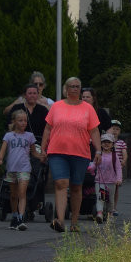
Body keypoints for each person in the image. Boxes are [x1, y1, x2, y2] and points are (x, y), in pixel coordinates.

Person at [41, 76, 100, 233]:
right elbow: (48, 128)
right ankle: (60, 220)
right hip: (57, 151)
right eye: (72, 86)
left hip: (80, 152)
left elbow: (94, 131)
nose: (75, 89)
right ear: (66, 89)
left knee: (76, 186)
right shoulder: (57, 106)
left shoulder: (88, 109)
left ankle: (74, 221)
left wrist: (99, 150)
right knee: (61, 183)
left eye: (77, 86)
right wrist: (43, 147)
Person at [5, 82, 50, 220]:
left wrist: (43, 149)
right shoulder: (18, 108)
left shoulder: (43, 110)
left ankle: (35, 201)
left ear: (38, 95)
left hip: (36, 143)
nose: (32, 95)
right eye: (29, 93)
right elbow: (9, 125)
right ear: (25, 95)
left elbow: (47, 130)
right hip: (19, 144)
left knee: (39, 170)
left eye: (34, 93)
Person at [0, 108, 39, 230]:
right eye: (20, 120)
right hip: (11, 169)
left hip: (25, 168)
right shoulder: (9, 136)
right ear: (14, 121)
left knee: (22, 193)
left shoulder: (30, 136)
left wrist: (42, 156)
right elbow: (3, 150)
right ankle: (14, 216)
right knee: (14, 195)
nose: (23, 123)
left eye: (25, 120)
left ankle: (21, 218)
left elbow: (34, 152)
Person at [92, 133, 122, 223]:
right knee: (101, 198)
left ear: (112, 144)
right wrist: (91, 168)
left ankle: (110, 214)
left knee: (110, 200)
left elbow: (118, 168)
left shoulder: (114, 156)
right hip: (100, 181)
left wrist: (119, 179)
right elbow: (94, 165)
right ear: (101, 144)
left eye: (108, 142)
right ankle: (100, 214)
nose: (106, 144)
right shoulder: (99, 155)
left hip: (111, 181)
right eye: (104, 142)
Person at [107, 119, 127, 216]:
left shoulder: (121, 143)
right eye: (113, 129)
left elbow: (124, 153)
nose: (115, 131)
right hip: (106, 169)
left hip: (116, 169)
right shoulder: (105, 142)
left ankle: (114, 207)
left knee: (115, 189)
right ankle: (106, 207)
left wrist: (124, 160)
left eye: (117, 129)